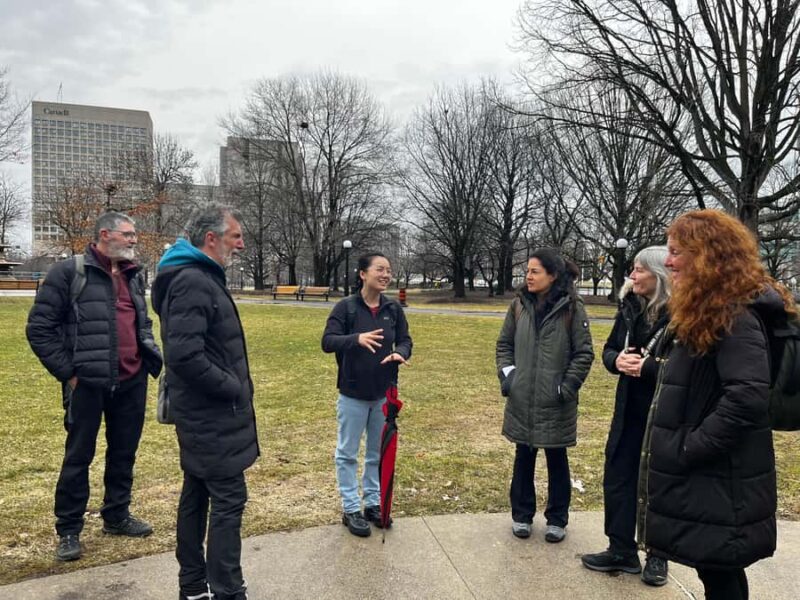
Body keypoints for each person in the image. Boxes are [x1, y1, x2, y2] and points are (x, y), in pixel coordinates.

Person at [640, 210, 793, 600]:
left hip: (721, 473)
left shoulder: (734, 315)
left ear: (707, 255)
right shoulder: (708, 310)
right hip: (714, 472)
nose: (668, 261)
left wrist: (689, 447)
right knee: (718, 568)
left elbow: (746, 398)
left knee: (720, 571)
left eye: (677, 252)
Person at [26, 211, 163, 562]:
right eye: (127, 234)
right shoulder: (68, 273)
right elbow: (39, 329)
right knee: (78, 456)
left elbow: (141, 321)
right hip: (86, 384)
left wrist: (148, 354)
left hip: (131, 380)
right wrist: (69, 374)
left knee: (124, 452)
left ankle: (117, 515)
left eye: (134, 234)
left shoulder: (133, 275)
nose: (134, 240)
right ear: (105, 234)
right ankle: (69, 529)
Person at [151, 204, 258, 600]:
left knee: (196, 493)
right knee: (229, 499)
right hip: (210, 415)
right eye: (235, 236)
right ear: (211, 238)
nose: (241, 244)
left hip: (206, 415)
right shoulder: (193, 281)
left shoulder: (197, 276)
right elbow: (184, 356)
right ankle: (227, 590)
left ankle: (193, 587)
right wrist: (231, 387)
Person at [581, 246, 670, 585]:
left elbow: (687, 369)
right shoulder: (630, 306)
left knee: (657, 483)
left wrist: (649, 367)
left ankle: (658, 556)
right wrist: (616, 360)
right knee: (618, 475)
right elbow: (609, 349)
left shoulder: (681, 315)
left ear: (659, 275)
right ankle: (620, 549)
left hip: (663, 412)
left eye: (639, 269)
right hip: (628, 409)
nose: (632, 276)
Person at [495, 248, 594, 543]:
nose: (528, 276)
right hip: (522, 398)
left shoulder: (572, 307)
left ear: (553, 275)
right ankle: (522, 515)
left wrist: (566, 387)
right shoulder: (519, 305)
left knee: (557, 458)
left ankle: (557, 519)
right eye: (527, 271)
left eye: (535, 271)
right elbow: (504, 344)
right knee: (523, 457)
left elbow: (584, 353)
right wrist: (510, 377)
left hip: (555, 401)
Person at [321, 252, 413, 537]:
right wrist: (356, 339)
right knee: (347, 453)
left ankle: (373, 504)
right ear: (363, 274)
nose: (385, 275)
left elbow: (406, 340)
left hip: (383, 395)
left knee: (376, 453)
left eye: (388, 270)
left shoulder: (393, 309)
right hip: (352, 394)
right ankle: (351, 509)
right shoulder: (346, 308)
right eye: (379, 269)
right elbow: (328, 342)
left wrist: (400, 352)